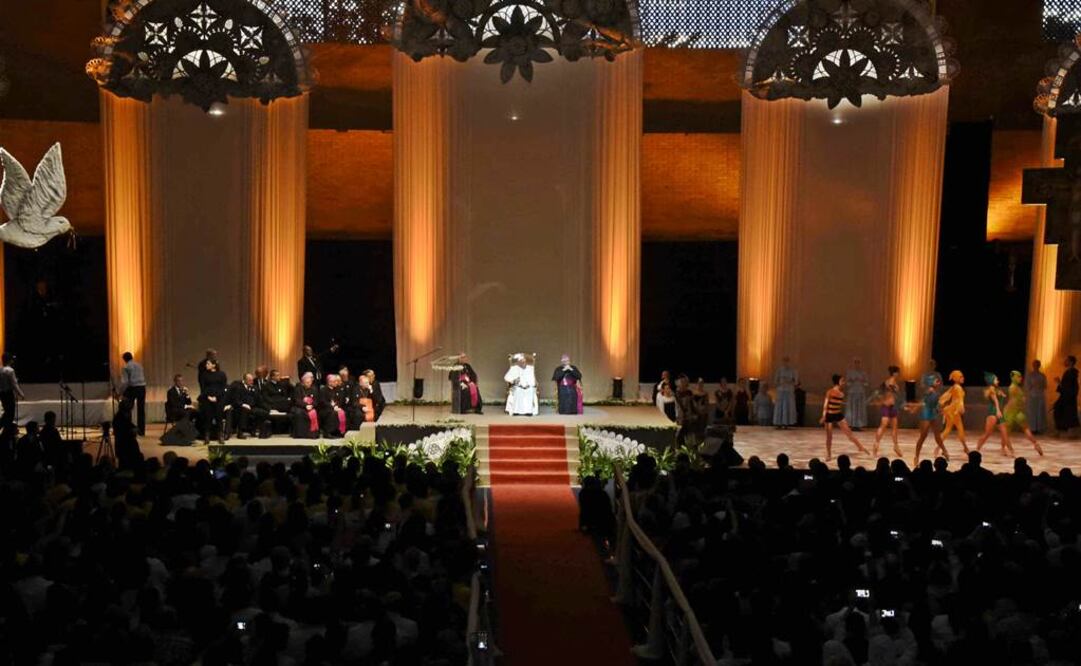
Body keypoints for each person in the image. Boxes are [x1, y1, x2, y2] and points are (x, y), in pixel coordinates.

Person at [820, 374, 869, 460]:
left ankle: (860, 447)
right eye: (842, 381)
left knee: (849, 433)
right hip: (829, 415)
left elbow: (838, 404)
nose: (844, 383)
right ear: (837, 382)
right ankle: (828, 454)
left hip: (838, 414)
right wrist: (824, 416)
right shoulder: (830, 392)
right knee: (829, 437)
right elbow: (825, 405)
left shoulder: (842, 394)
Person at [909, 373, 949, 467]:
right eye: (936, 381)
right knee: (923, 436)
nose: (938, 382)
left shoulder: (935, 391)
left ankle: (944, 451)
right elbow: (923, 402)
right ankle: (916, 457)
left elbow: (936, 404)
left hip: (933, 414)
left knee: (937, 436)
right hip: (926, 414)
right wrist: (914, 408)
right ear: (931, 382)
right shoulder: (930, 391)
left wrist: (941, 410)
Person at [1003, 370, 1044, 455]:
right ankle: (1035, 444)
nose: (1021, 378)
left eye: (1020, 376)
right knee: (1023, 429)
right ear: (1014, 377)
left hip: (1013, 412)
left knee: (1007, 432)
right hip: (1016, 411)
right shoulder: (1015, 388)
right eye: (1018, 377)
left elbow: (1014, 401)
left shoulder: (1014, 387)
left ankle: (1009, 450)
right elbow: (1017, 400)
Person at [976, 372, 1013, 456]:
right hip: (993, 413)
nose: (998, 380)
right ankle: (977, 448)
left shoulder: (997, 390)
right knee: (987, 434)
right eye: (996, 379)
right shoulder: (991, 390)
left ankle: (1009, 450)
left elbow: (1001, 399)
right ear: (991, 380)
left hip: (999, 413)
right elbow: (996, 401)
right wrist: (998, 410)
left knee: (1005, 433)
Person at [872, 366, 903, 459]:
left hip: (892, 407)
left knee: (894, 427)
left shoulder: (892, 382)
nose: (898, 374)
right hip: (886, 407)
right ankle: (876, 445)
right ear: (894, 373)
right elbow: (886, 390)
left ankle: (896, 446)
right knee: (883, 425)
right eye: (897, 372)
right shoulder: (890, 382)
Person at [198, 358, 228, 444]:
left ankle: (220, 436)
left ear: (214, 365)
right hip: (207, 399)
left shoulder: (222, 374)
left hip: (219, 399)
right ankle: (207, 436)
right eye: (206, 364)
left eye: (208, 363)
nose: (206, 365)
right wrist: (208, 397)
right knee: (208, 417)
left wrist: (216, 397)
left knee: (219, 417)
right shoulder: (204, 375)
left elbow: (223, 387)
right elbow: (203, 388)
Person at [939, 370, 969, 453]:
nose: (963, 378)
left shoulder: (955, 387)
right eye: (960, 377)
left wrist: (941, 404)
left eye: (962, 376)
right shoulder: (957, 388)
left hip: (952, 410)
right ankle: (965, 448)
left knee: (949, 429)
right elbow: (959, 400)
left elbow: (946, 396)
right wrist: (961, 408)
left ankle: (965, 448)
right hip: (953, 411)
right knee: (956, 429)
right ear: (956, 378)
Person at [232, 373, 270, 439]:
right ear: (245, 380)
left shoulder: (254, 387)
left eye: (252, 380)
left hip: (253, 407)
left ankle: (255, 430)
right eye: (249, 380)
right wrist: (244, 404)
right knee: (244, 411)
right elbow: (236, 400)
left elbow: (259, 400)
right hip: (241, 407)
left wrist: (267, 408)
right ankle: (240, 432)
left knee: (263, 412)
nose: (252, 382)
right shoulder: (238, 387)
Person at [118, 351, 147, 436]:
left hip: (132, 388)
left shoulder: (126, 367)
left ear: (124, 359)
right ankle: (141, 431)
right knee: (141, 410)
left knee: (127, 408)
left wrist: (120, 392)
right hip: (142, 388)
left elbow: (125, 382)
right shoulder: (139, 365)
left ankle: (129, 428)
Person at [1053, 355, 1079, 437]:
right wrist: (1060, 383)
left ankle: (1072, 433)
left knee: (1069, 413)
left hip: (1070, 396)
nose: (1065, 362)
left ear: (1071, 362)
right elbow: (1065, 385)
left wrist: (1059, 383)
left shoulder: (1074, 372)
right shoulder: (1067, 372)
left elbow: (1070, 385)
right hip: (1065, 395)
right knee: (1057, 409)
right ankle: (1059, 431)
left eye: (1067, 360)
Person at [113, 398, 142, 470]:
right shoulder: (119, 418)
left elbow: (130, 425)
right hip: (124, 446)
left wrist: (135, 428)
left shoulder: (124, 416)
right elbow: (122, 432)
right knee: (125, 466)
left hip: (128, 445)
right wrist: (132, 431)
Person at [0, 353, 25, 434]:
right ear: (10, 361)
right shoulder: (10, 370)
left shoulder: (0, 370)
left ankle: (6, 431)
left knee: (7, 412)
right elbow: (14, 384)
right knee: (10, 414)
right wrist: (21, 394)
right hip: (8, 394)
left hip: (2, 394)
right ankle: (6, 432)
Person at [291, 372, 320, 438]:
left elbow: (316, 400)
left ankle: (312, 433)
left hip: (311, 407)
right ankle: (301, 434)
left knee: (314, 412)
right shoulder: (298, 388)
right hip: (300, 407)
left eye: (310, 382)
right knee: (299, 413)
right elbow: (297, 400)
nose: (309, 384)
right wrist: (305, 406)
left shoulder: (314, 389)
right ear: (303, 382)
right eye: (307, 383)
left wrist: (312, 405)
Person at [844, 358, 870, 429]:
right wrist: (851, 381)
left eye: (858, 362)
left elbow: (867, 383)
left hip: (860, 392)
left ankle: (859, 425)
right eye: (855, 362)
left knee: (859, 409)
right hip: (852, 392)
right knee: (852, 409)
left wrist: (862, 381)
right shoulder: (850, 372)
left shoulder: (863, 373)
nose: (857, 364)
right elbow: (847, 383)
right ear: (853, 363)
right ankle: (851, 424)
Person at [1024, 359, 1049, 434]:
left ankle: (1039, 428)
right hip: (1032, 395)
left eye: (1037, 364)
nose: (1035, 366)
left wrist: (1039, 386)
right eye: (1034, 364)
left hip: (1040, 395)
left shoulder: (1042, 375)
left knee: (1039, 412)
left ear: (1039, 366)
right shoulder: (1030, 375)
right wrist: (1032, 388)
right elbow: (1027, 386)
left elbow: (1045, 385)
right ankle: (1033, 428)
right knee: (1032, 412)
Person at [773, 357, 798, 428]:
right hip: (781, 391)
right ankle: (778, 423)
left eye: (787, 361)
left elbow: (796, 382)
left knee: (787, 406)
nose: (786, 362)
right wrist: (781, 382)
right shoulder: (779, 370)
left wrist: (789, 381)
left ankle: (786, 423)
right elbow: (775, 381)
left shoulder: (793, 371)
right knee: (779, 407)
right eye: (784, 361)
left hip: (789, 391)